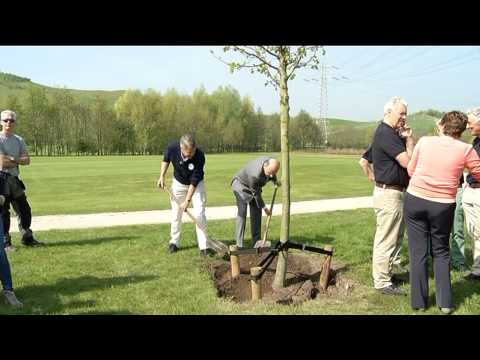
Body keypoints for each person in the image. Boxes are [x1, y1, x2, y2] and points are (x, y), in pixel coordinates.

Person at [404, 111, 480, 314]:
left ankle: (419, 302)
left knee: (418, 251)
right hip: (443, 205)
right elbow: (479, 173)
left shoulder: (425, 142)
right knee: (441, 251)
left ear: (443, 125)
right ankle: (445, 303)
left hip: (415, 199)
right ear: (462, 131)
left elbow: (411, 170)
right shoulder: (466, 149)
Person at [370, 96, 414, 296]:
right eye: (401, 113)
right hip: (389, 193)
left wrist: (407, 138)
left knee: (395, 239)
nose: (404, 117)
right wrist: (409, 140)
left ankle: (387, 274)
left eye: (405, 113)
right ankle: (381, 282)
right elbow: (408, 163)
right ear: (388, 112)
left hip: (395, 192)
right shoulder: (386, 133)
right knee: (386, 239)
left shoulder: (392, 133)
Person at [157, 134, 212, 256]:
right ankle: (174, 243)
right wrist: (162, 176)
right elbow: (166, 160)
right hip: (178, 183)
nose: (190, 155)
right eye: (188, 153)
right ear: (181, 148)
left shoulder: (199, 156)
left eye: (192, 152)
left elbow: (194, 180)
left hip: (196, 185)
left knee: (199, 213)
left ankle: (204, 246)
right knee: (176, 213)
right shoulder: (172, 147)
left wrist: (187, 201)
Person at [0, 110, 43, 251]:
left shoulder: (19, 140)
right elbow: (2, 162)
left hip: (14, 179)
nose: (8, 123)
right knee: (3, 212)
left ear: (15, 123)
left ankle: (27, 238)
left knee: (24, 210)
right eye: (5, 120)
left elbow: (27, 160)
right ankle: (6, 243)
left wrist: (13, 159)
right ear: (1, 122)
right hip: (1, 180)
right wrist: (17, 160)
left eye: (11, 120)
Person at [231, 157, 280, 248]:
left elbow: (272, 173)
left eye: (274, 173)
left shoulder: (269, 164)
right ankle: (239, 244)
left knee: (257, 211)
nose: (271, 176)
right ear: (265, 166)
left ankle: (256, 241)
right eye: (270, 173)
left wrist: (275, 181)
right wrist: (265, 209)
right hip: (240, 186)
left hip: (253, 186)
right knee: (242, 212)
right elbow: (256, 194)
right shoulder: (255, 174)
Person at [463, 107, 480, 280]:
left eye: (470, 122)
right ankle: (477, 269)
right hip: (471, 190)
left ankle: (477, 270)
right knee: (474, 232)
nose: (468, 126)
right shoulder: (476, 142)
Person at [450, 174, 467, 271]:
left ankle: (458, 261)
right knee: (438, 231)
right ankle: (439, 262)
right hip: (439, 190)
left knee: (457, 229)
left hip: (457, 189)